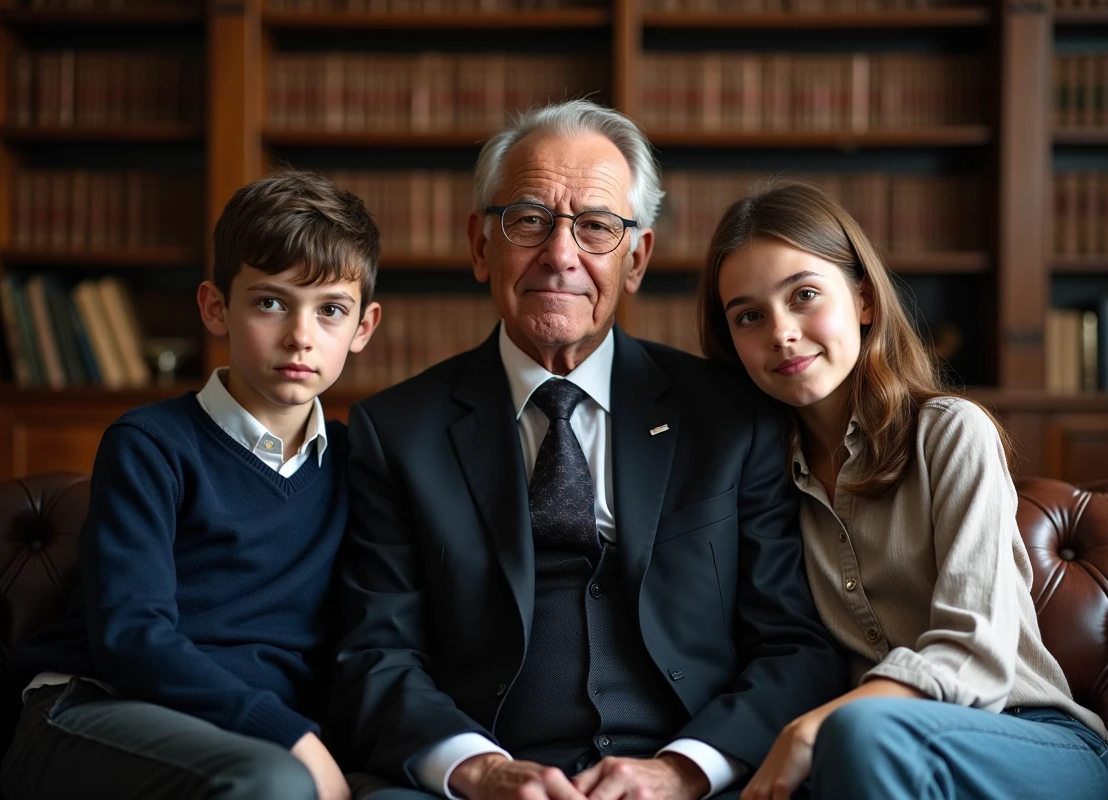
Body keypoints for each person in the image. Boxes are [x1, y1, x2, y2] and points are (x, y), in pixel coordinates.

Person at [329, 99, 846, 800]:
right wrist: (478, 770)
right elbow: (374, 653)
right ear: (482, 246)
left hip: (696, 775)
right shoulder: (396, 432)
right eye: (530, 220)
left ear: (636, 259)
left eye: (596, 227)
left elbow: (794, 643)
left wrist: (684, 770)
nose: (561, 255)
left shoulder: (732, 417)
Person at [696, 178, 1108, 800]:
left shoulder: (951, 433)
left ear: (864, 300)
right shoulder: (757, 477)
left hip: (1029, 740)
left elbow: (975, 648)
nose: (781, 332)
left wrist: (825, 724)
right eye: (749, 316)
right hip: (868, 759)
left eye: (805, 295)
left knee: (863, 734)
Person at [1, 170, 383, 800]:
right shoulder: (150, 444)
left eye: (330, 311)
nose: (300, 336)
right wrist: (293, 736)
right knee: (274, 780)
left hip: (244, 736)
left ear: (363, 328)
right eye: (269, 302)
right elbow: (131, 635)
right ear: (214, 307)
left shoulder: (355, 464)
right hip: (90, 710)